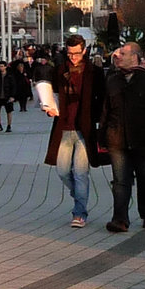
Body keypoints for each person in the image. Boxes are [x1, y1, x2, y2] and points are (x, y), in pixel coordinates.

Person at [42, 33, 104, 227]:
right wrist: (49, 108)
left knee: (80, 173)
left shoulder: (94, 72)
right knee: (61, 170)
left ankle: (80, 213)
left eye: (77, 53)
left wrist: (98, 122)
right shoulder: (60, 70)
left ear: (84, 51)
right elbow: (53, 96)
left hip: (84, 129)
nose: (73, 57)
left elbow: (101, 100)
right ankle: (79, 194)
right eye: (70, 53)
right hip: (64, 127)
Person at [105, 41, 145, 231]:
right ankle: (120, 219)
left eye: (123, 53)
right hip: (117, 139)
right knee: (120, 181)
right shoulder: (113, 78)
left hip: (143, 140)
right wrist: (103, 135)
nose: (119, 56)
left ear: (135, 57)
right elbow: (105, 109)